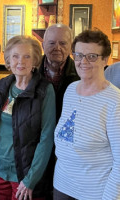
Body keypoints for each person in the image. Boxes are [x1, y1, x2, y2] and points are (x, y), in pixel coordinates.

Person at [0, 35, 56, 200]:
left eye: (27, 56)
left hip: (24, 173)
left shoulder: (44, 90)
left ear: (35, 60)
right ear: (8, 59)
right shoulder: (3, 85)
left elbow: (46, 138)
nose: (20, 61)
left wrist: (31, 179)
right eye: (15, 56)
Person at [54, 29, 120, 199]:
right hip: (61, 186)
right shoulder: (70, 90)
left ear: (105, 59)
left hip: (93, 193)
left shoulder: (115, 101)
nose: (83, 61)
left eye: (92, 56)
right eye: (78, 55)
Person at [40, 23, 79, 121]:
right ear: (43, 45)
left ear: (71, 47)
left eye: (63, 43)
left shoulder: (81, 74)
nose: (57, 48)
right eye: (52, 43)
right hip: (37, 133)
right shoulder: (30, 71)